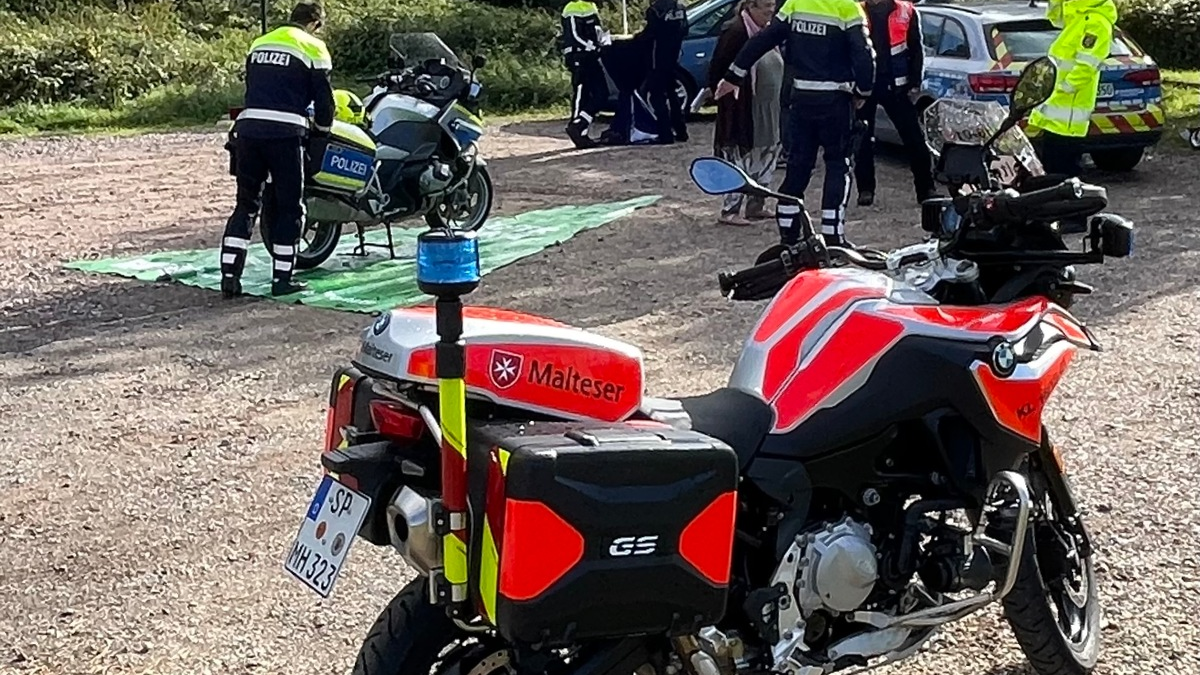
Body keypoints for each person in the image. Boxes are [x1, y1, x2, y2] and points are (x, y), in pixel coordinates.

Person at [715, 0, 874, 247]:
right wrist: (863, 91)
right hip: (836, 99)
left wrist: (734, 75)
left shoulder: (795, 4)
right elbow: (863, 54)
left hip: (801, 98)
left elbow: (763, 39)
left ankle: (788, 234)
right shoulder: (848, 8)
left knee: (797, 167)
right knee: (838, 164)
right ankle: (833, 235)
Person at [220, 1, 333, 298]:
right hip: (285, 135)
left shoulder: (260, 42)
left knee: (246, 204)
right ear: (315, 23)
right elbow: (324, 103)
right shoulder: (314, 47)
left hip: (248, 130)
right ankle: (282, 279)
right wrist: (321, 133)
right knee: (289, 206)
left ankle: (230, 276)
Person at [707, 0, 784, 225]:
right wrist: (726, 97)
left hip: (769, 105)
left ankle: (756, 205)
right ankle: (730, 210)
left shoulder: (768, 30)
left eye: (773, 4)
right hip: (744, 108)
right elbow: (718, 70)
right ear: (750, 6)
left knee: (767, 152)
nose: (771, 9)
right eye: (766, 5)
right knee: (740, 158)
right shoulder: (736, 31)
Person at [853, 0, 935, 206]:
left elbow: (916, 48)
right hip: (865, 87)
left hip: (897, 87)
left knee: (915, 139)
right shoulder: (856, 10)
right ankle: (865, 190)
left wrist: (915, 82)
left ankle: (926, 190)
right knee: (862, 140)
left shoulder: (906, 11)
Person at [1028, 0, 1118, 179]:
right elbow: (1055, 17)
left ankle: (1066, 205)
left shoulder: (1097, 22)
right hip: (1058, 110)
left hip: (1068, 113)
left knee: (1064, 173)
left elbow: (1086, 66)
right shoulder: (1079, 16)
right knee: (1052, 171)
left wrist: (1064, 88)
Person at [640, 0, 690, 144]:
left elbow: (650, 34)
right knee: (672, 94)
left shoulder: (655, 10)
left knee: (657, 96)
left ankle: (665, 133)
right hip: (674, 56)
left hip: (657, 59)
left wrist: (637, 39)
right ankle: (681, 131)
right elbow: (685, 30)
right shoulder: (680, 8)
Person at [562, 0, 610, 149]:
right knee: (581, 94)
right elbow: (574, 35)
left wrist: (603, 42)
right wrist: (592, 46)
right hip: (578, 56)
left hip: (592, 56)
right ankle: (577, 128)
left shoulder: (592, 6)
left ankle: (579, 125)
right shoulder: (572, 7)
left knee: (601, 93)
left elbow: (596, 31)